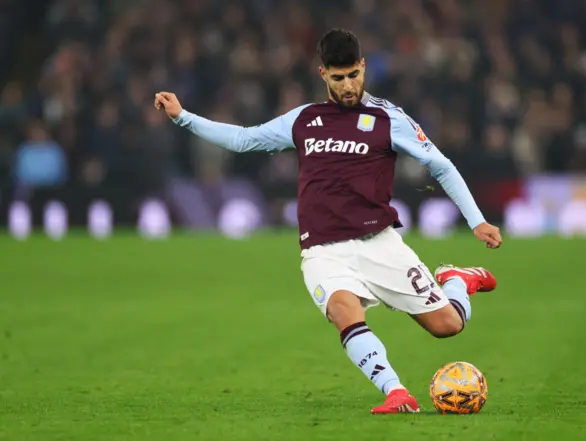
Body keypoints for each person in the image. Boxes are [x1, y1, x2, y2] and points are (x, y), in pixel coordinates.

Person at [154, 28, 502, 414]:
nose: (349, 85)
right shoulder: (305, 119)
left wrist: (477, 221)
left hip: (378, 243)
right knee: (342, 309)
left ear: (364, 67)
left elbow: (440, 165)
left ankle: (457, 280)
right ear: (323, 75)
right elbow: (243, 139)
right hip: (322, 250)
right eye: (339, 78)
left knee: (447, 325)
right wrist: (182, 117)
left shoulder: (388, 119)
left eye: (354, 74)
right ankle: (395, 391)